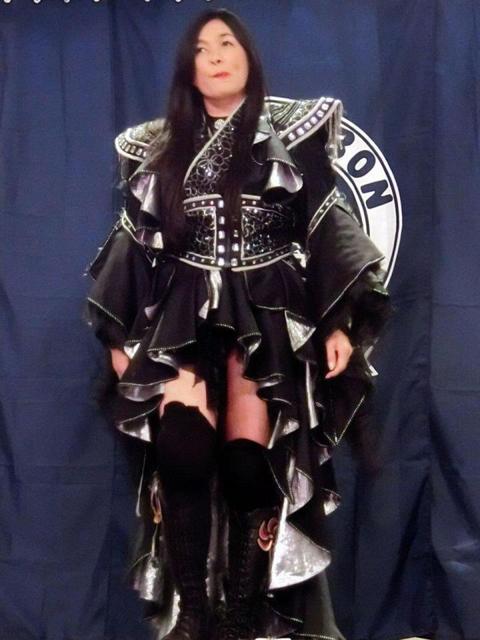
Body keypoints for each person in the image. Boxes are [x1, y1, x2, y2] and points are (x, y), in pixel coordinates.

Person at [83, 8, 392, 640]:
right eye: (201, 49)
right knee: (181, 452)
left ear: (248, 55)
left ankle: (243, 615)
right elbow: (134, 240)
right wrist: (117, 335)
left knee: (251, 465)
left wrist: (338, 322)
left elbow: (325, 226)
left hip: (267, 309)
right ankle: (194, 612)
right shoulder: (156, 146)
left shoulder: (295, 130)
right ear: (188, 69)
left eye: (226, 43)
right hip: (184, 313)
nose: (216, 56)